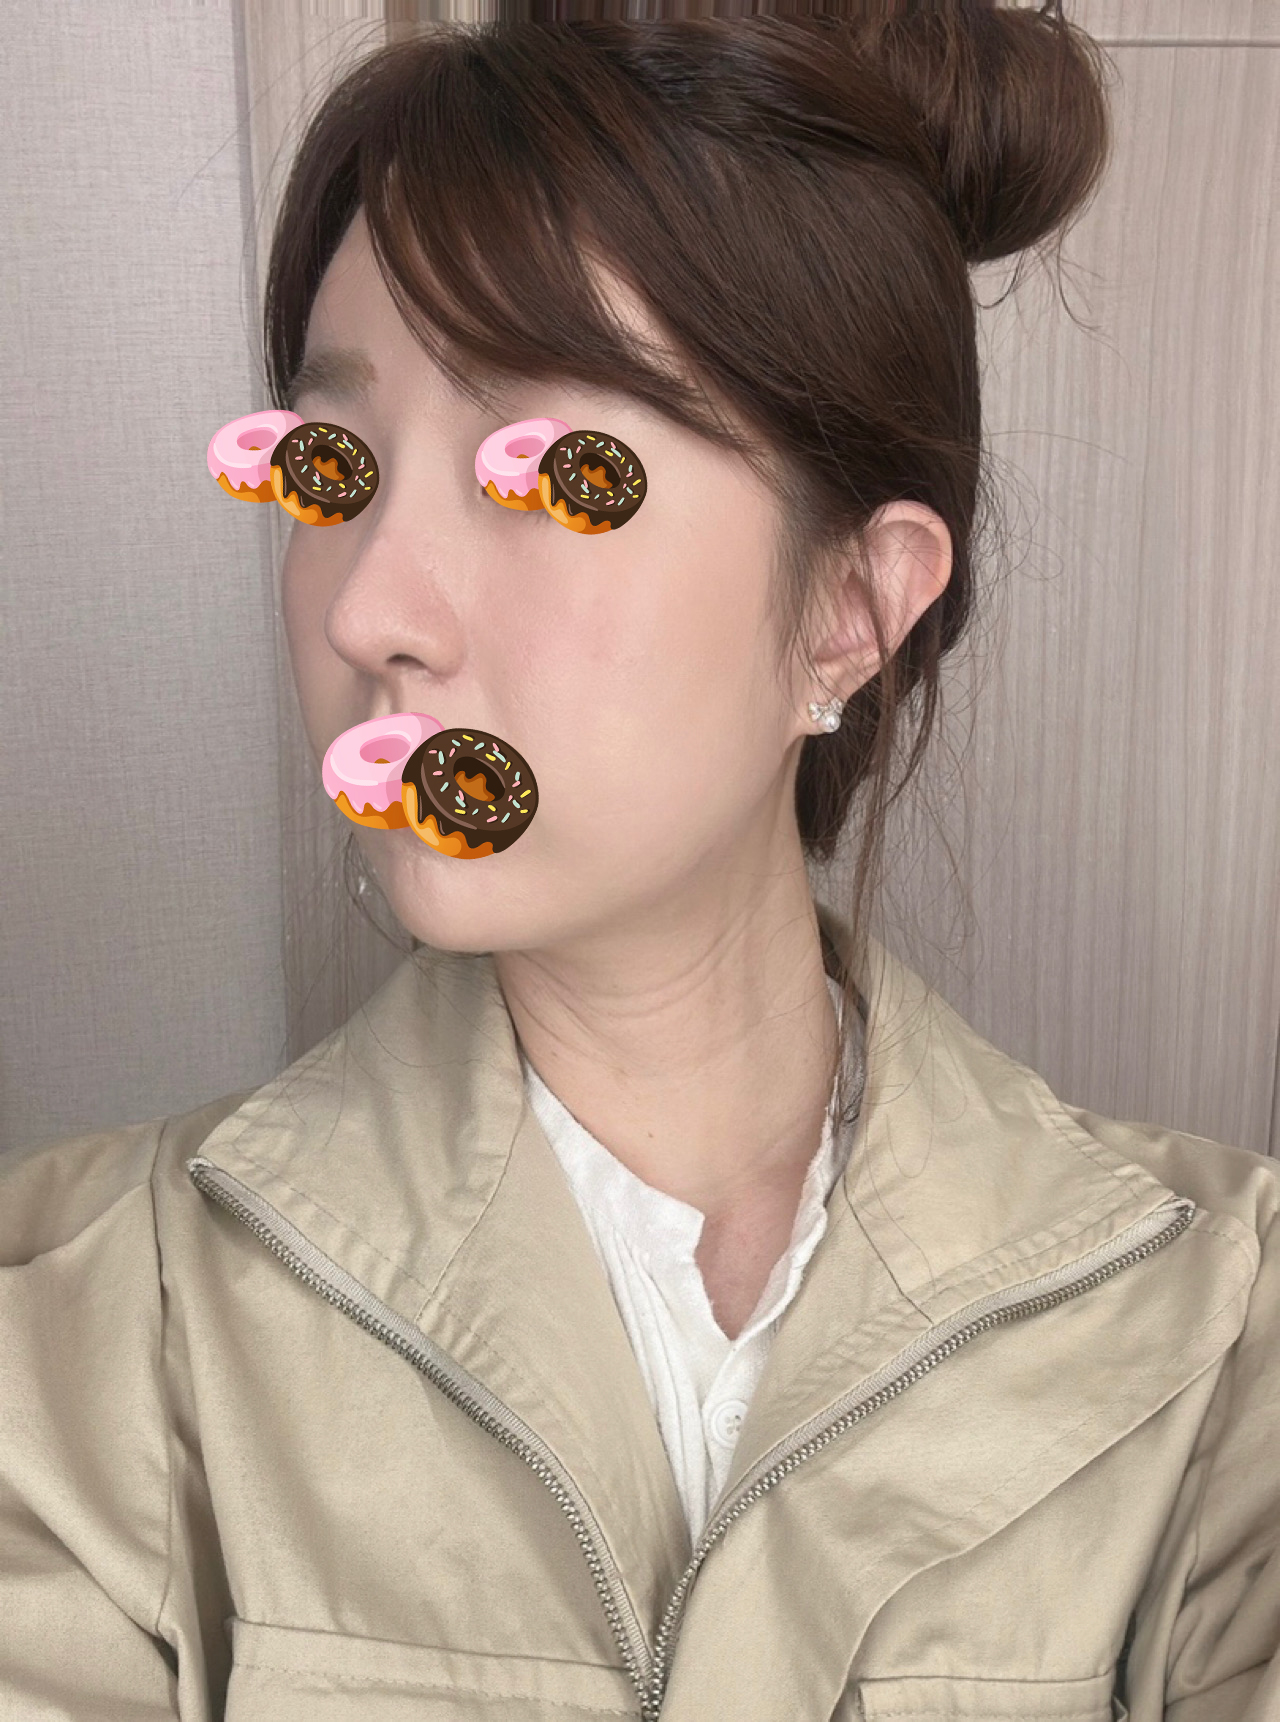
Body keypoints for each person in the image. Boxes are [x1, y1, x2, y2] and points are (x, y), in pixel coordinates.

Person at [2, 8, 1277, 1720]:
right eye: (333, 467)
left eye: (545, 476)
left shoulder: (1222, 1334)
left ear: (852, 608)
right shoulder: (76, 1336)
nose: (370, 606)